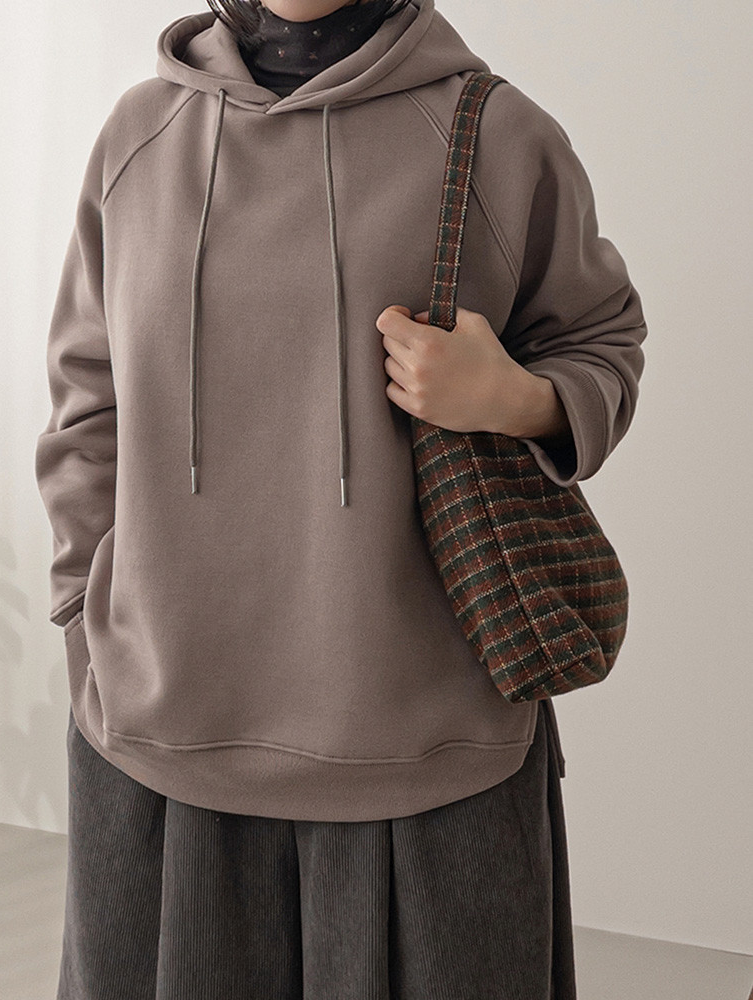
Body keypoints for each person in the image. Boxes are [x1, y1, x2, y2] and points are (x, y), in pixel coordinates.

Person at [34, 0, 647, 997]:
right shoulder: (139, 134)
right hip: (160, 731)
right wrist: (81, 607)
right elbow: (86, 394)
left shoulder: (494, 133)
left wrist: (514, 398)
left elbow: (602, 342)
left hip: (428, 753)